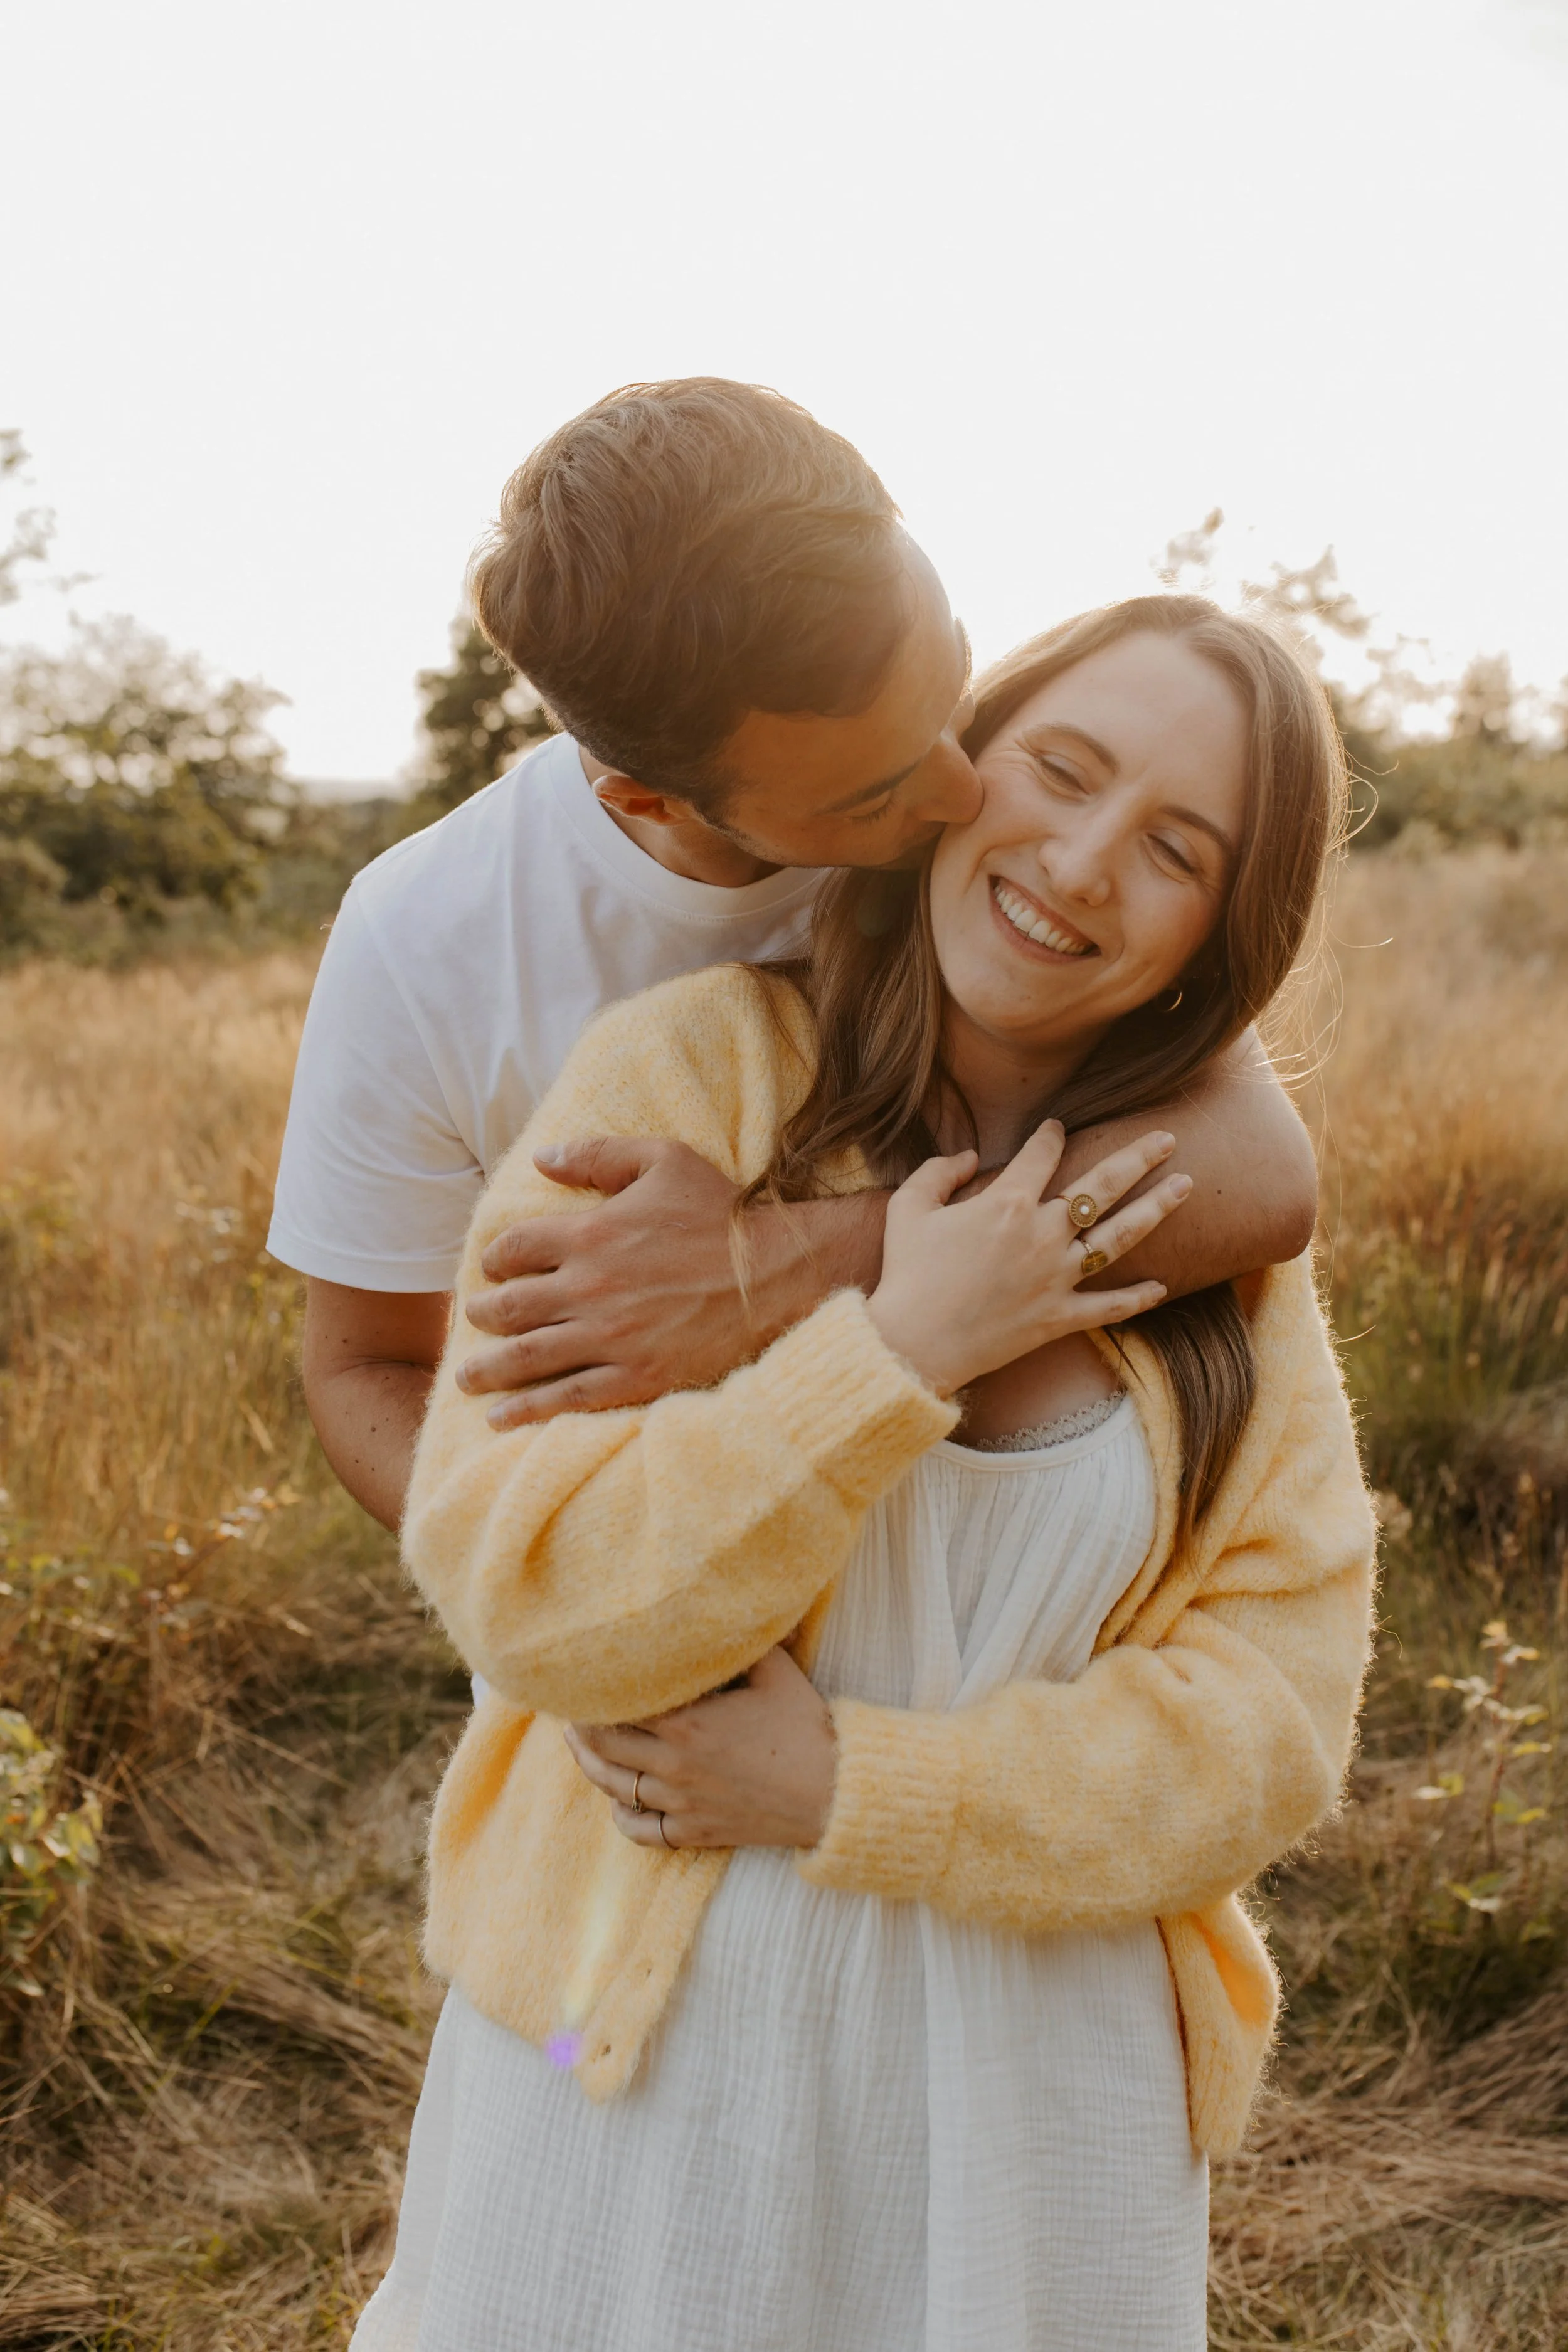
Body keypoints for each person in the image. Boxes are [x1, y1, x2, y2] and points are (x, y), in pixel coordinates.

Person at [351, 596, 1377, 2351]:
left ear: (1223, 924)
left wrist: (849, 1780)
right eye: (1060, 768)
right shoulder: (683, 1084)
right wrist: (891, 1353)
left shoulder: (1211, 1244)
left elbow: (1271, 1726)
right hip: (622, 2076)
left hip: (1038, 2127)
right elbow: (528, 1584)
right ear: (965, 762)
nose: (1079, 858)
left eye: (1174, 847)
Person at [265, 381, 1317, 1527]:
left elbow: (1258, 1174)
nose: (959, 788)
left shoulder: (1008, 834)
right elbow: (366, 1367)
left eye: (952, 686)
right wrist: (573, 1588)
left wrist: (775, 1266)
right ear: (653, 799)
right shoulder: (422, 943)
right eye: (873, 792)